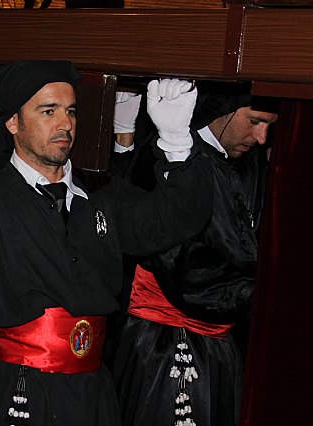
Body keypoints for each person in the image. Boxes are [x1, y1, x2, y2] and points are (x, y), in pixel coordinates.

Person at [0, 61, 214, 426]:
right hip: (16, 392)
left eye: (71, 111)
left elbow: (170, 222)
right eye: (48, 111)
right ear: (13, 122)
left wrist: (176, 143)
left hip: (92, 395)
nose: (65, 124)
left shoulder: (103, 195)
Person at [109, 84, 279, 426]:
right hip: (163, 341)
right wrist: (257, 295)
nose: (262, 137)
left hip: (222, 343)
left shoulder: (252, 162)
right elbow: (180, 264)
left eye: (269, 127)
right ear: (222, 110)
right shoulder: (166, 154)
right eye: (256, 122)